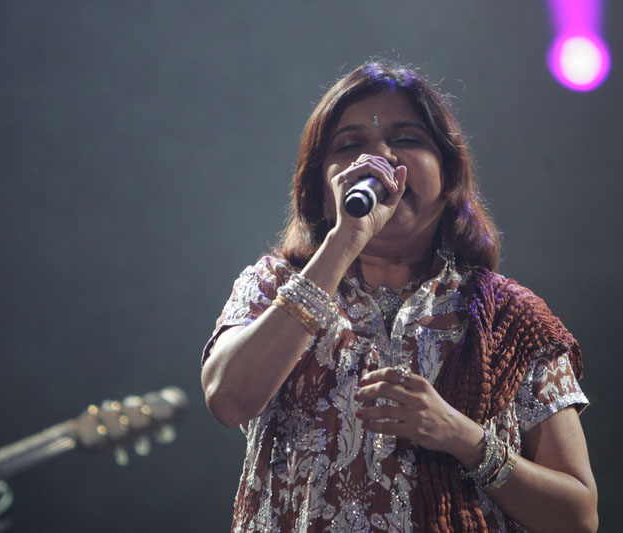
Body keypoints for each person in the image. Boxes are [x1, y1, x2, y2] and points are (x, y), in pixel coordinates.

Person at [201, 61, 598, 532]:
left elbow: (578, 517)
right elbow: (228, 400)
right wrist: (344, 242)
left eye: (406, 138)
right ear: (321, 191)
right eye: (350, 146)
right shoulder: (271, 285)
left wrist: (464, 438)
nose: (378, 158)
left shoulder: (511, 318)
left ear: (449, 177)